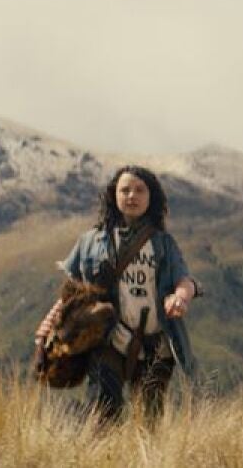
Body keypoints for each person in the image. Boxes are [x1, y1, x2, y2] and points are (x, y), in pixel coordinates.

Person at [35, 165, 201, 421]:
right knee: (104, 413)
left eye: (140, 190)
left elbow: (184, 279)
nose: (132, 196)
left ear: (151, 197)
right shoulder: (90, 242)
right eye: (125, 190)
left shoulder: (163, 244)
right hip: (107, 340)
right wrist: (46, 331)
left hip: (156, 344)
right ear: (114, 195)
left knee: (149, 418)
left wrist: (180, 297)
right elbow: (71, 294)